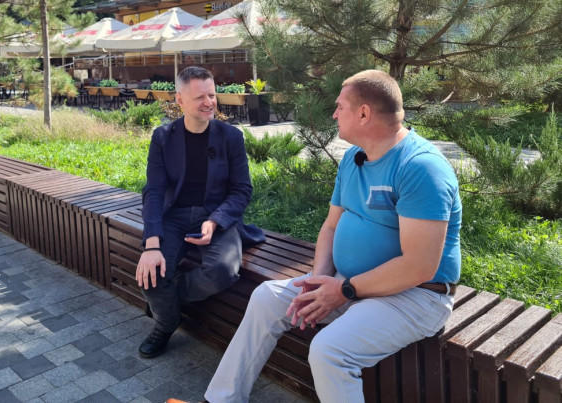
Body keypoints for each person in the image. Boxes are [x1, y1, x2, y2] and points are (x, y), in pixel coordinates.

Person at [167, 70, 461, 403]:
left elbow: (419, 266)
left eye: (340, 107)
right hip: (350, 284)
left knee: (329, 351)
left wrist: (344, 290)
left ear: (364, 113)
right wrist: (317, 281)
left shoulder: (420, 168)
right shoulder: (353, 158)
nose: (334, 114)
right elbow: (331, 226)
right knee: (267, 297)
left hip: (415, 296)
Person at [136, 66, 265, 359]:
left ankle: (164, 302)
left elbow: (241, 190)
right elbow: (154, 191)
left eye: (212, 95)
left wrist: (215, 221)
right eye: (200, 97)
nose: (209, 103)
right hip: (174, 217)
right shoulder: (163, 137)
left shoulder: (230, 137)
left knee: (222, 271)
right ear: (180, 100)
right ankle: (166, 323)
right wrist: (152, 244)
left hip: (215, 217)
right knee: (152, 275)